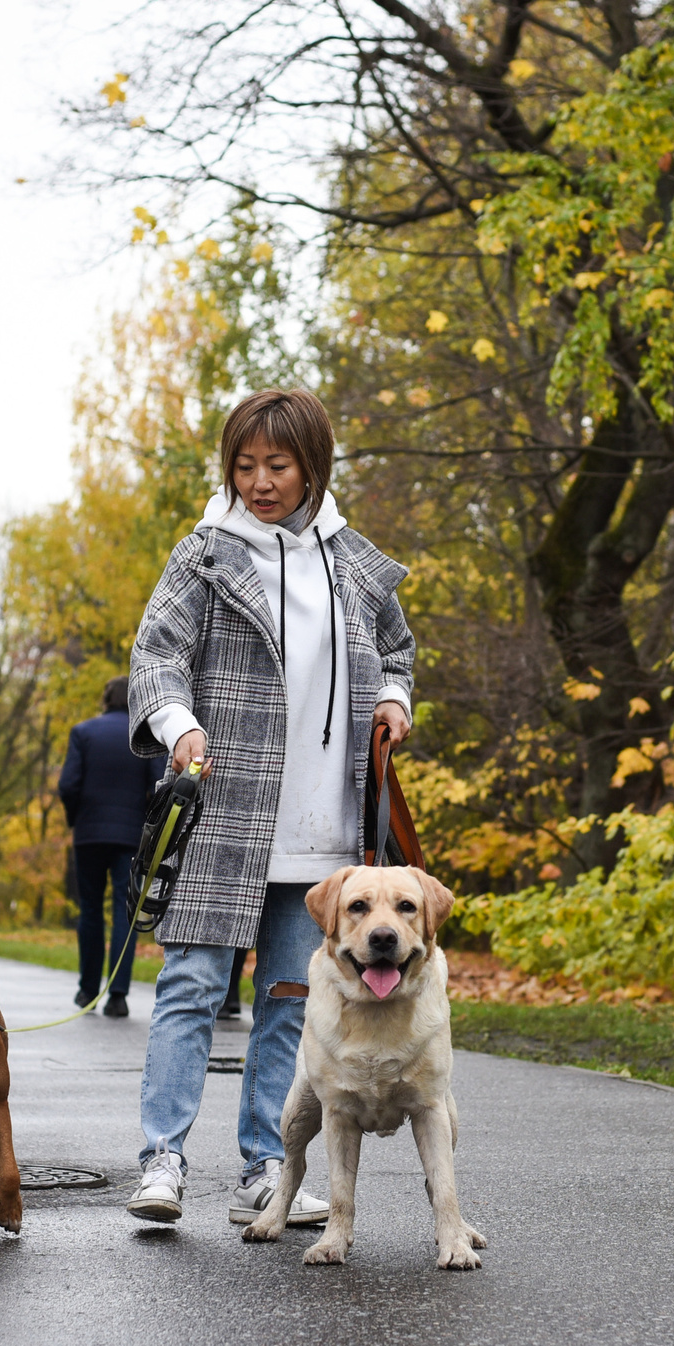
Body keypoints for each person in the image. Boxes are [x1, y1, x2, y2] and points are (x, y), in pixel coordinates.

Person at [121, 387, 415, 1228]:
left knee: (291, 1000)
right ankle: (163, 1159)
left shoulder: (352, 561)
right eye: (244, 465)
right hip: (225, 811)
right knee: (192, 986)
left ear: (312, 465)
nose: (259, 481)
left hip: (326, 829)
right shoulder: (205, 554)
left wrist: (393, 698)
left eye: (278, 465)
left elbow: (397, 649)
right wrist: (179, 726)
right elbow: (155, 654)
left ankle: (266, 1165)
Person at [58, 674, 160, 1018]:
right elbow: (158, 786)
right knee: (124, 912)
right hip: (130, 837)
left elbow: (67, 785)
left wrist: (76, 817)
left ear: (105, 699)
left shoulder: (83, 732)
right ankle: (117, 995)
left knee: (89, 909)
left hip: (88, 835)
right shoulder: (144, 737)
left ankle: (88, 990)